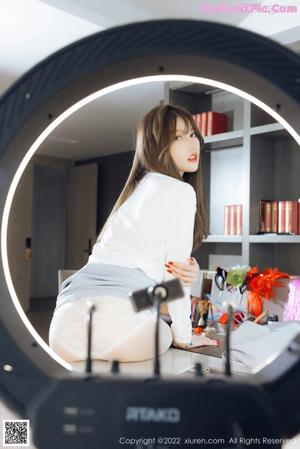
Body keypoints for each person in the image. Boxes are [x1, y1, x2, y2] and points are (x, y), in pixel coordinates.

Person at [48, 103, 218, 363]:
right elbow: (173, 280)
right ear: (155, 145)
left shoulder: (134, 193)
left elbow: (135, 290)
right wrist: (184, 336)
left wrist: (180, 278)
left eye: (192, 134)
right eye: (177, 137)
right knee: (163, 329)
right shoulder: (180, 191)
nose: (191, 144)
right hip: (121, 330)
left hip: (62, 330)